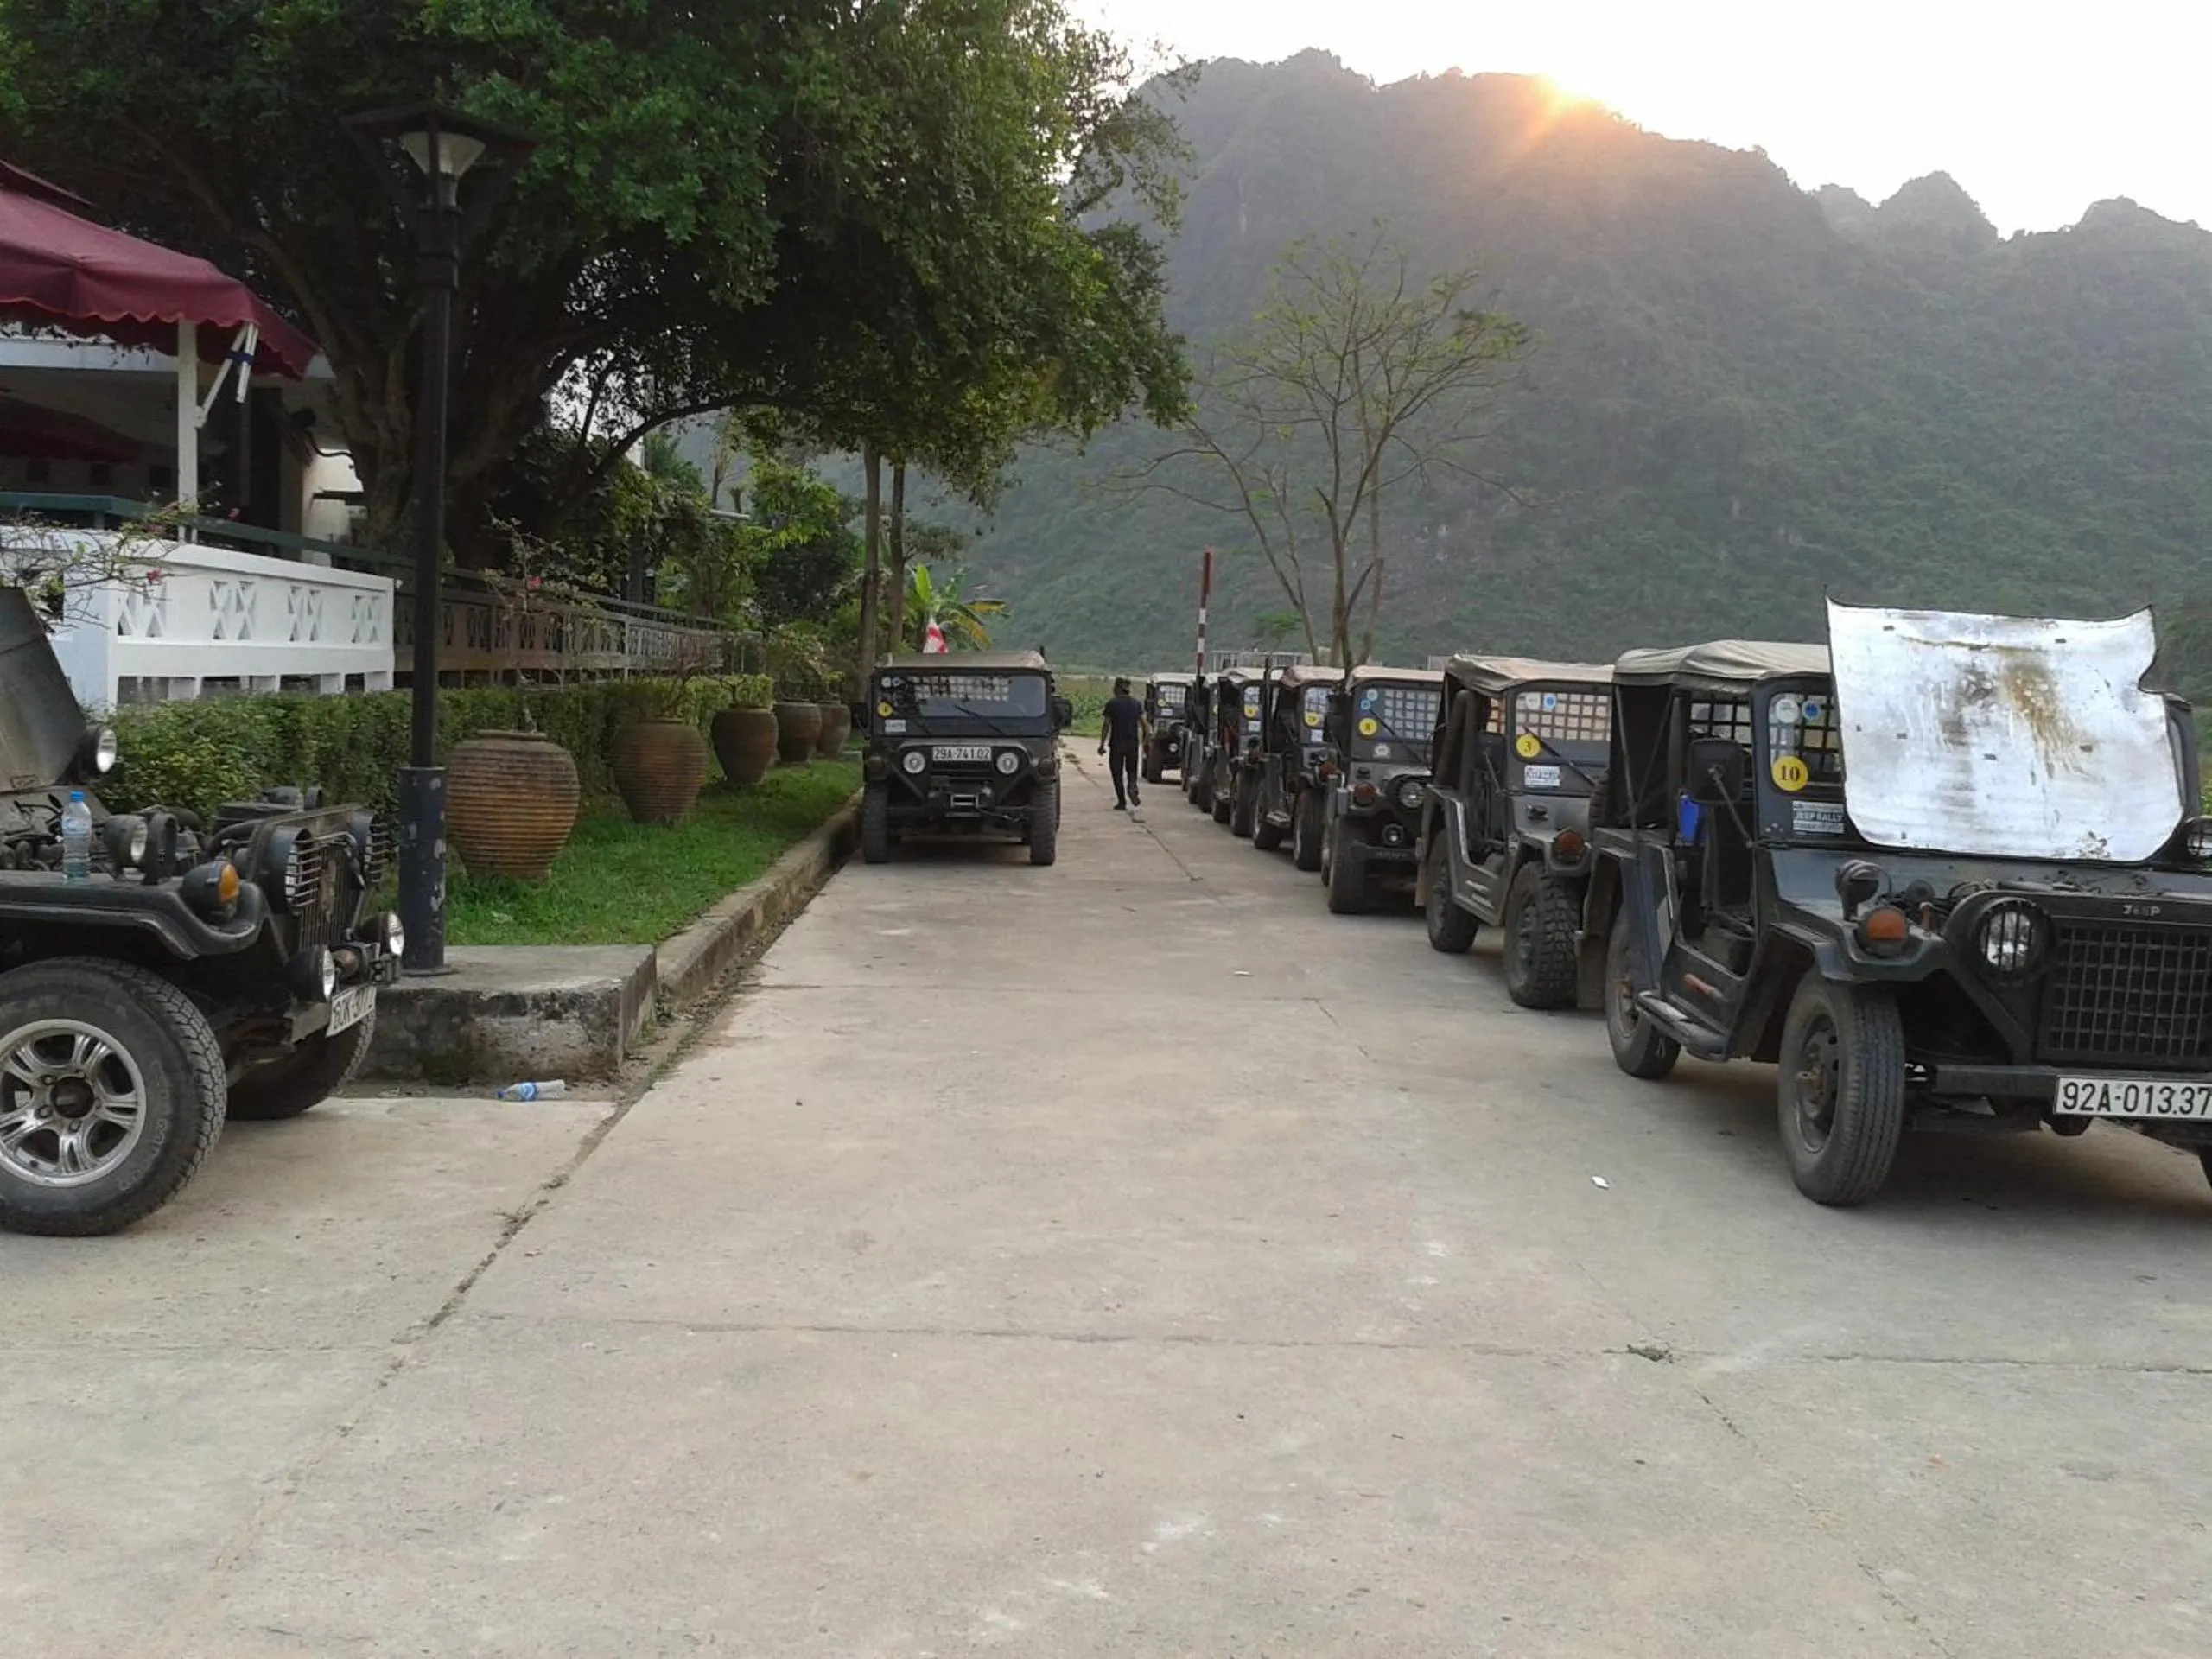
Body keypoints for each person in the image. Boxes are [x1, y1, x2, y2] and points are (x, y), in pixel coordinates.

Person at [1098, 677, 1147, 810]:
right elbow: (1144, 724)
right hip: (1132, 743)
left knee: (1116, 773)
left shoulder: (1112, 704)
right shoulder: (1136, 704)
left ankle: (1122, 802)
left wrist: (1102, 744)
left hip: (1117, 744)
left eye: (1115, 686)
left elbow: (1106, 724)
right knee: (1132, 770)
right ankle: (1132, 786)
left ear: (1118, 688)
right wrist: (1145, 741)